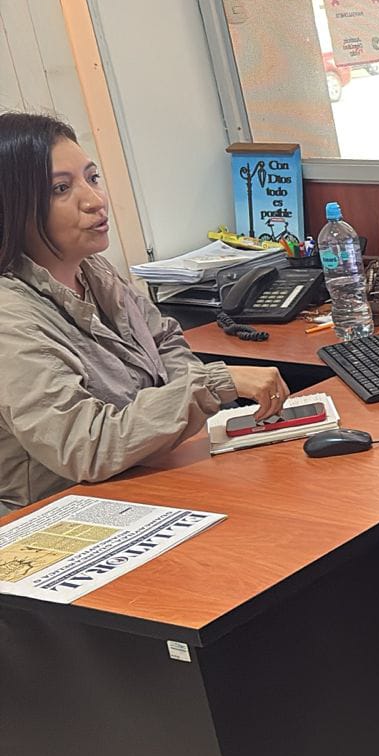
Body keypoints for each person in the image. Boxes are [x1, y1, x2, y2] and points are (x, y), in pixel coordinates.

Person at [0, 112, 287, 513]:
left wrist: (186, 401)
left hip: (146, 475)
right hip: (64, 512)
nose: (95, 200)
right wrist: (209, 387)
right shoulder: (11, 320)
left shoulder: (92, 269)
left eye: (92, 178)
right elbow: (87, 446)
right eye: (61, 189)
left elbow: (163, 340)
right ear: (12, 208)